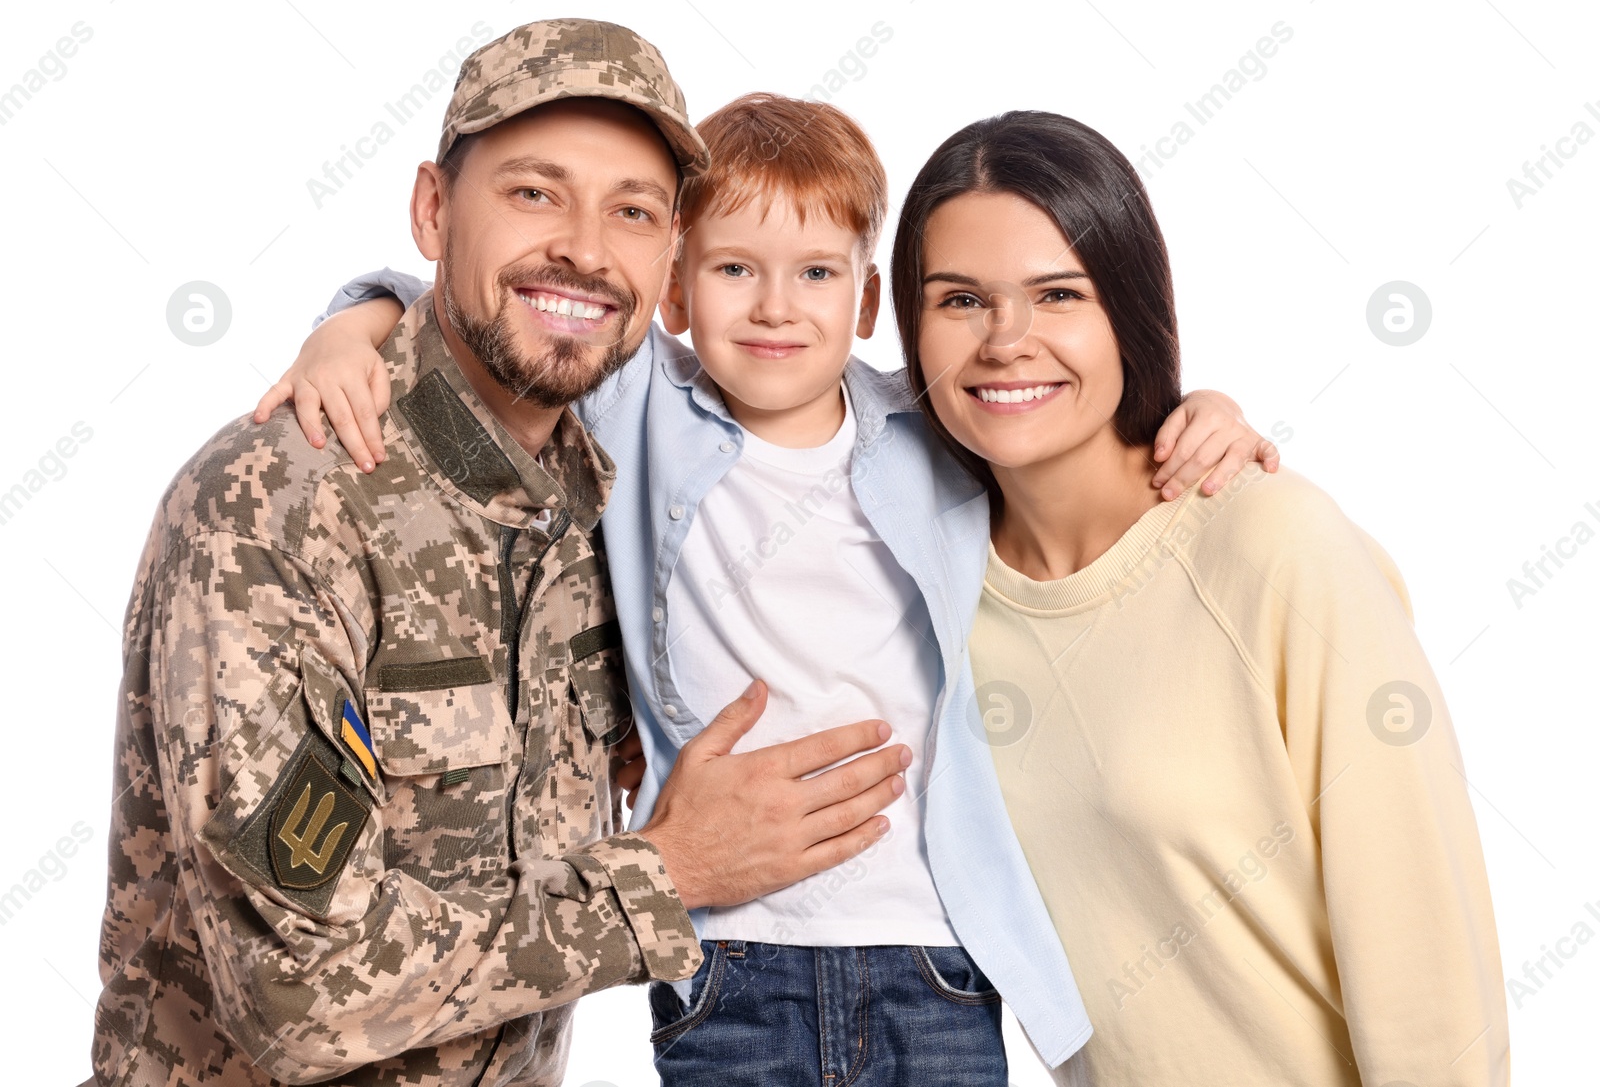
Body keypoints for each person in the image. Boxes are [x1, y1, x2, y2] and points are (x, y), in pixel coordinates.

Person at [255, 93, 1277, 1079]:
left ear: (868, 300)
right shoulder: (642, 398)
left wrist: (1210, 408)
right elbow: (464, 297)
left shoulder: (934, 431)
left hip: (931, 949)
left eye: (818, 272)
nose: (777, 306)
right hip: (727, 955)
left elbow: (1061, 422)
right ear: (676, 292)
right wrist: (348, 331)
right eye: (736, 268)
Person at [90, 20, 920, 1087]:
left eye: (633, 210)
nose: (584, 247)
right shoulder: (283, 506)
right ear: (434, 211)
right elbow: (297, 985)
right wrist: (669, 869)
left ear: (669, 254)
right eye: (535, 192)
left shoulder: (602, 504)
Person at [890, 109, 1510, 1085]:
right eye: (960, 299)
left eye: (1059, 294)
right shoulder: (930, 591)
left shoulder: (1273, 545)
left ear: (1128, 308)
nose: (1005, 340)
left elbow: (1425, 949)